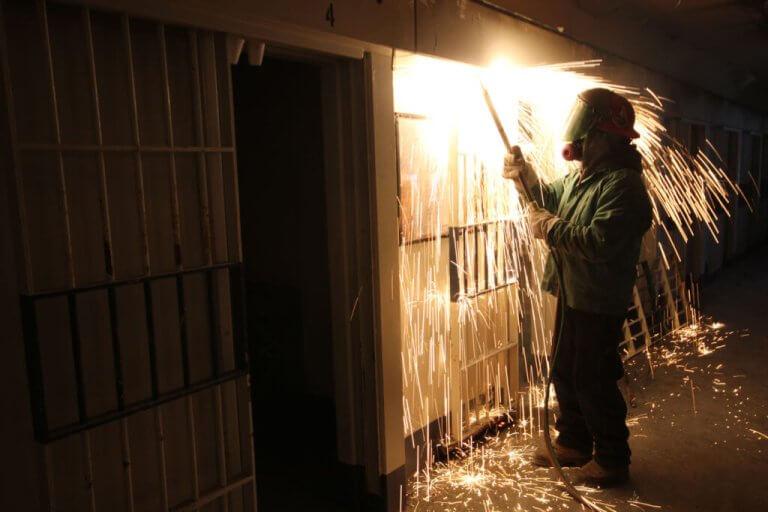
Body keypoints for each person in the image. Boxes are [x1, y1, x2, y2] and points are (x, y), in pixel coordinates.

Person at [503, 88, 653, 487]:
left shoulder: (623, 187)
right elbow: (545, 199)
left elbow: (598, 242)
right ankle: (573, 442)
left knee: (593, 378)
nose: (578, 145)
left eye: (586, 138)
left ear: (607, 138)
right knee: (566, 371)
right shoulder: (582, 180)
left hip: (599, 301)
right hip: (572, 293)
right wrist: (525, 174)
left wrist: (549, 228)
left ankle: (612, 459)